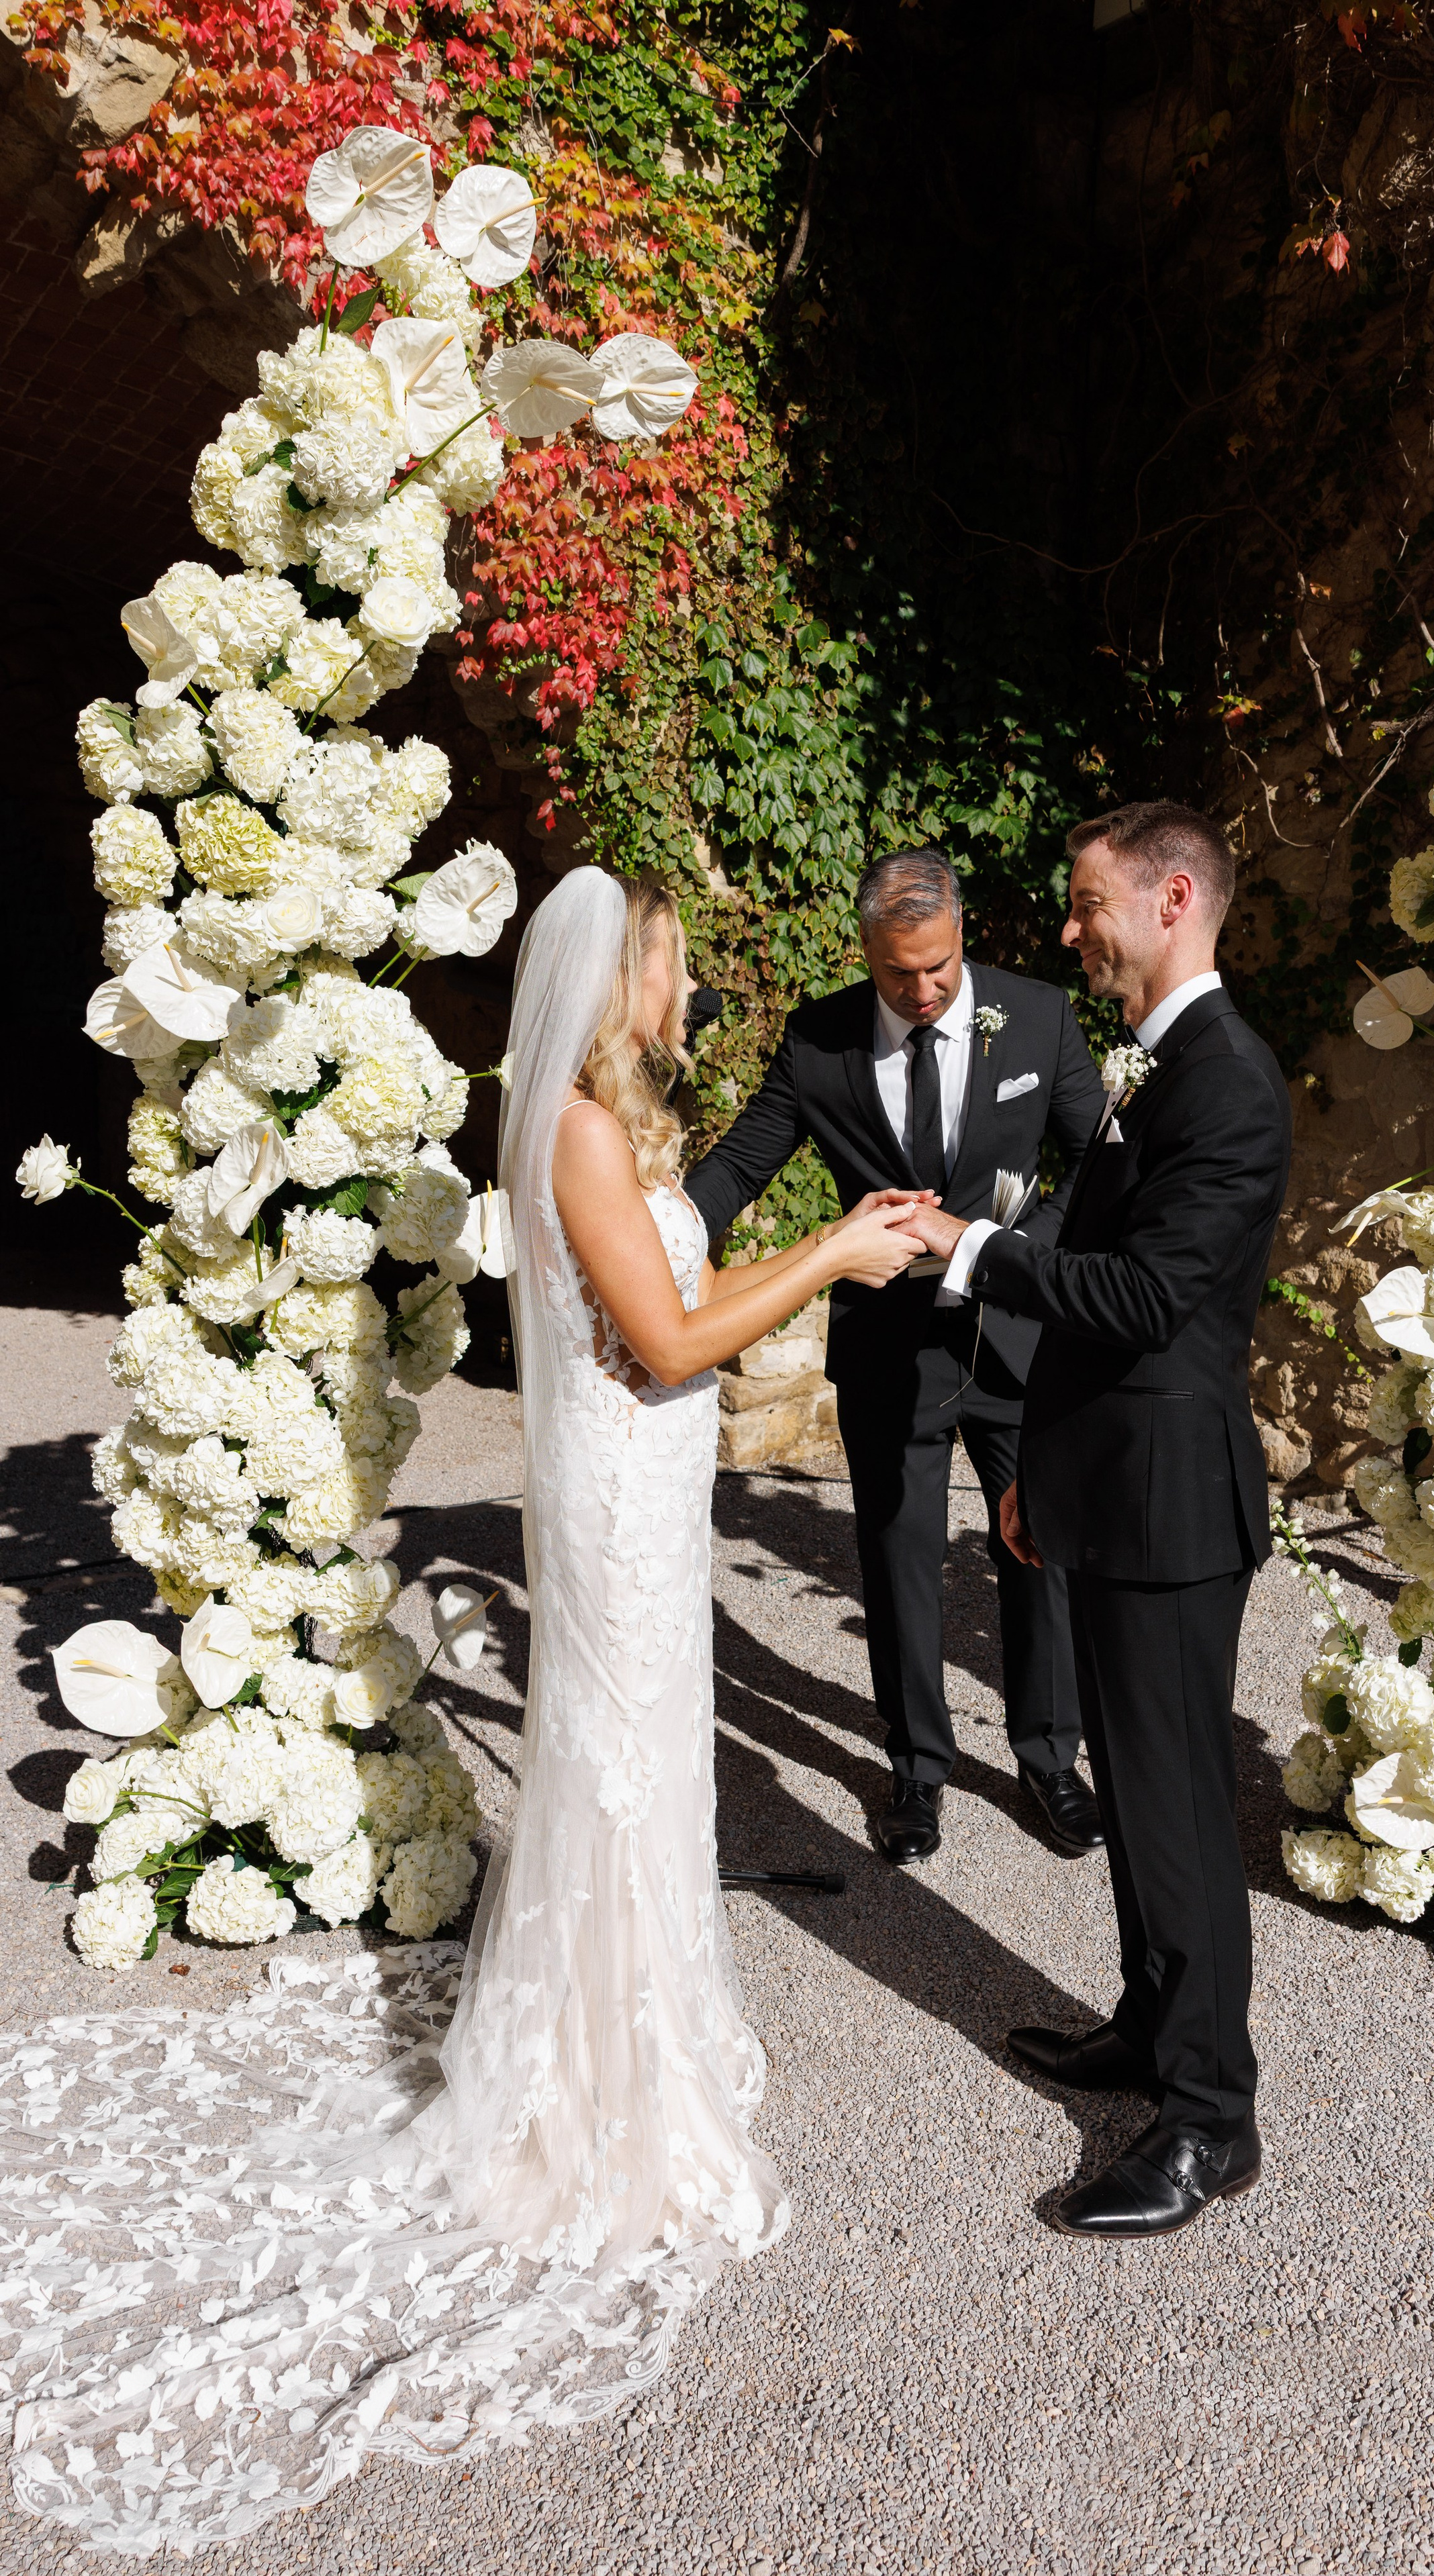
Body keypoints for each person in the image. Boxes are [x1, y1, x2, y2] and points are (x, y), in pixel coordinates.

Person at [0, 871, 929, 2552]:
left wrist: (817, 1243)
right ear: (614, 977)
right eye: (668, 962)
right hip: (625, 1491)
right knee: (620, 1764)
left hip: (647, 1491)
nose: (685, 985)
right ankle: (594, 2090)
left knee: (643, 1762)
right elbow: (668, 1342)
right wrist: (833, 1252)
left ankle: (634, 2029)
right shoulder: (573, 1129)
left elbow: (659, 1318)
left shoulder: (612, 1124)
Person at [906, 803, 1293, 2240]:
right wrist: (1039, 1472)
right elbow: (1086, 1250)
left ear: (1172, 898)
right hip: (1108, 1482)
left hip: (1174, 1504)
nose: (1068, 931)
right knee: (1131, 1796)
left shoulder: (1228, 1082)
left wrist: (968, 1248)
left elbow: (1143, 1299)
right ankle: (1147, 2022)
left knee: (1178, 1808)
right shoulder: (1157, 1063)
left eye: (1087, 904)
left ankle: (1210, 2118)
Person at [683, 849, 1110, 1865]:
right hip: (887, 1348)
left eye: (940, 968)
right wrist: (652, 1240)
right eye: (897, 973)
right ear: (865, 951)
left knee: (1039, 1547)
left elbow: (1099, 1160)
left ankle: (1050, 1757)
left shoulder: (1038, 1016)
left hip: (1017, 1337)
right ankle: (917, 1767)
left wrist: (1011, 1255)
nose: (922, 992)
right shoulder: (818, 1040)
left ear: (964, 934)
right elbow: (740, 1165)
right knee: (899, 1559)